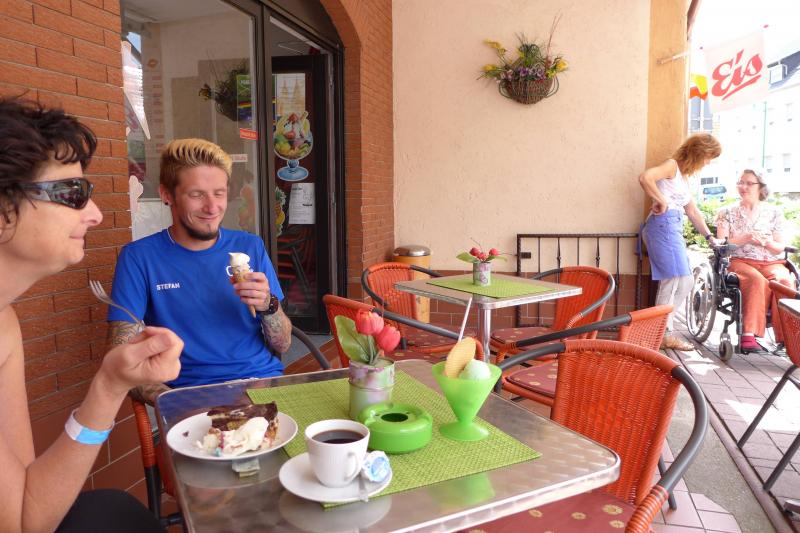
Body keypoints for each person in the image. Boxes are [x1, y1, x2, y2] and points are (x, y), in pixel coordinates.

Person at [0, 97, 183, 531]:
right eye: (73, 194)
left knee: (115, 510)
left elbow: (25, 512)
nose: (96, 215)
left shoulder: (4, 322)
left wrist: (110, 384)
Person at [108, 138, 292, 404]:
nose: (212, 207)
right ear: (167, 195)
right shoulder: (139, 258)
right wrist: (174, 403)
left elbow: (283, 344)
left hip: (261, 383)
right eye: (197, 195)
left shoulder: (250, 246)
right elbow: (122, 359)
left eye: (219, 193)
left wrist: (268, 305)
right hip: (189, 393)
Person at [639, 133, 722, 351]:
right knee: (674, 280)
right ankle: (659, 334)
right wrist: (661, 200)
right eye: (709, 157)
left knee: (684, 281)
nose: (708, 162)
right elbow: (645, 177)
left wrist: (710, 237)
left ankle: (658, 332)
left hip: (671, 228)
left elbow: (692, 211)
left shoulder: (683, 178)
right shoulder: (672, 166)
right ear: (699, 152)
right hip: (662, 226)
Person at [715, 168, 794, 351]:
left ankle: (789, 337)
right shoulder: (726, 212)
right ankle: (749, 335)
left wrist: (766, 242)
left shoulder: (774, 212)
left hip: (771, 262)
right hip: (740, 261)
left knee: (785, 282)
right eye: (740, 182)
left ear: (761, 187)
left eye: (749, 183)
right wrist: (746, 238)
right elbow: (721, 243)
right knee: (756, 280)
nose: (743, 186)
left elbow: (779, 247)